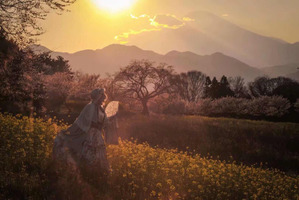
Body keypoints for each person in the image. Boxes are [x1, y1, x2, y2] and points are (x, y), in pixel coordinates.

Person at [53, 88, 110, 174]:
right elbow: (83, 121)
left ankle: (98, 172)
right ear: (97, 97)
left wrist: (108, 123)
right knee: (89, 152)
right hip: (90, 134)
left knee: (99, 153)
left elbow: (105, 122)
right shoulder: (90, 107)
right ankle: (87, 171)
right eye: (101, 96)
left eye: (103, 96)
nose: (103, 98)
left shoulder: (101, 109)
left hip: (98, 134)